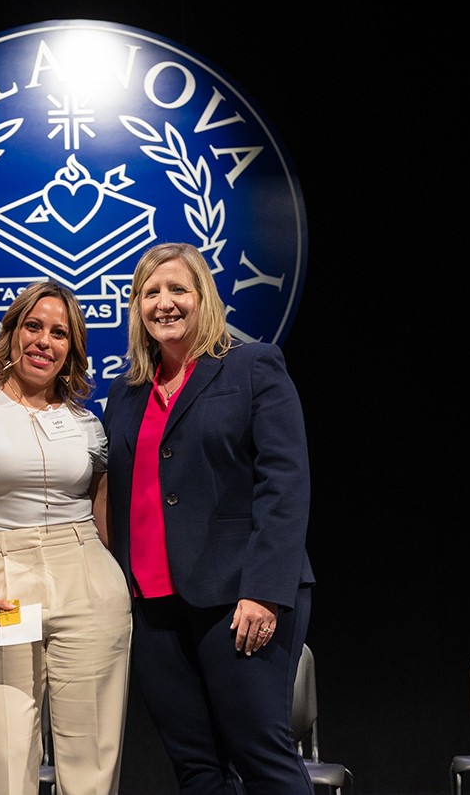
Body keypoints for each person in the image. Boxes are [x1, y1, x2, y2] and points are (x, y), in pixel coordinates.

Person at [101, 242, 316, 794]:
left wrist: (265, 590)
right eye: (150, 293)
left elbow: (285, 486)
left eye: (178, 290)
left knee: (261, 754)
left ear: (204, 299)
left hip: (239, 597)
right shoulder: (124, 397)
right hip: (153, 608)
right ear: (137, 308)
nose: (164, 303)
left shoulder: (251, 366)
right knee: (196, 769)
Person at [0, 281, 131, 795]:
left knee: (91, 764)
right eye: (33, 326)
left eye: (59, 332)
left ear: (73, 348)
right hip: (4, 587)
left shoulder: (87, 422)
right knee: (8, 761)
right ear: (12, 333)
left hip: (88, 583)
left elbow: (107, 525)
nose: (44, 341)